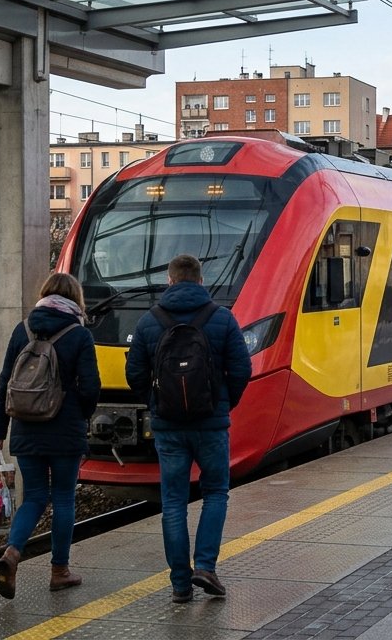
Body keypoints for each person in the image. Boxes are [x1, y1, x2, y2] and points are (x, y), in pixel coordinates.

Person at [126, 254, 252, 603]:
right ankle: (206, 567)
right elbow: (242, 370)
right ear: (200, 281)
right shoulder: (222, 318)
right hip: (211, 425)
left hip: (168, 427)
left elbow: (134, 373)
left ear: (169, 281)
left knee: (173, 501)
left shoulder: (149, 321)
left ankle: (180, 584)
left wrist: (157, 403)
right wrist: (223, 403)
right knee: (216, 493)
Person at [0, 273, 101, 600]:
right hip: (65, 431)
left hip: (25, 428)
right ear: (75, 299)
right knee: (63, 498)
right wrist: (81, 415)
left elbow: (5, 384)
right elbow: (91, 387)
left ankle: (12, 552)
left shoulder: (21, 330)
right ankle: (59, 571)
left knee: (35, 497)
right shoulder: (79, 334)